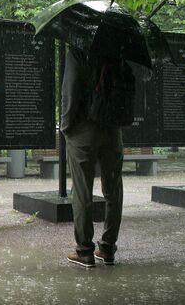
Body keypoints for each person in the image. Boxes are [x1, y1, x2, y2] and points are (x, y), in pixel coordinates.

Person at [61, 46, 125, 268]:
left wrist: (66, 126)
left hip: (84, 128)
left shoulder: (79, 49)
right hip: (113, 129)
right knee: (113, 190)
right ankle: (107, 248)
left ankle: (85, 251)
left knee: (82, 190)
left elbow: (71, 88)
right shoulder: (119, 50)